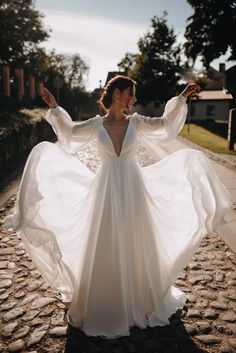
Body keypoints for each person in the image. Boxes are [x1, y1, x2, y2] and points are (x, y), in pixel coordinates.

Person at [3, 75, 235, 339]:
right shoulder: (95, 124)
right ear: (117, 94)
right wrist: (55, 108)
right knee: (105, 241)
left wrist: (182, 97)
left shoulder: (137, 122)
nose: (133, 99)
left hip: (133, 189)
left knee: (136, 239)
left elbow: (165, 125)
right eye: (130, 93)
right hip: (105, 190)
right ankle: (105, 302)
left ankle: (139, 298)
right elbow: (67, 134)